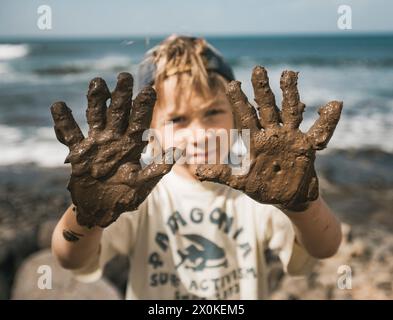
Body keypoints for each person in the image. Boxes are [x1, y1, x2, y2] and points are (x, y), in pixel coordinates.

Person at [50, 34, 342, 299]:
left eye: (213, 112)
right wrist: (86, 215)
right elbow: (70, 258)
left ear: (237, 115)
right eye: (178, 120)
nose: (202, 134)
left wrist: (301, 203)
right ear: (148, 127)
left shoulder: (260, 190)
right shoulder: (137, 194)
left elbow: (325, 247)